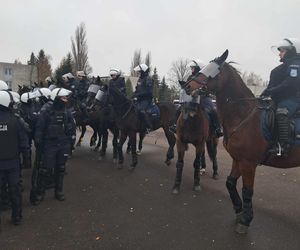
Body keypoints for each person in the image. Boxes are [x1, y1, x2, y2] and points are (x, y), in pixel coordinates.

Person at [31, 88, 76, 205]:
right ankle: (40, 192)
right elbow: (40, 126)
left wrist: (71, 139)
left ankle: (59, 191)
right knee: (45, 169)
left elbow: (71, 125)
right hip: (50, 144)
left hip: (63, 144)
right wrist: (38, 139)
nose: (66, 100)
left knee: (61, 168)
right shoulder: (46, 109)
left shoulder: (67, 111)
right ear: (56, 97)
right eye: (63, 97)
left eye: (66, 97)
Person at [261, 38, 300, 156]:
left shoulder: (296, 64)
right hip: (281, 98)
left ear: (292, 51)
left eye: (282, 51)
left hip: (294, 98)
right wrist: (265, 92)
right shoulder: (282, 67)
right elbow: (273, 84)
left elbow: (290, 83)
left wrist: (271, 91)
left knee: (282, 112)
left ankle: (283, 146)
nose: (280, 53)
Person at [169, 59, 223, 138]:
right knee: (180, 109)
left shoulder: (205, 77)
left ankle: (217, 129)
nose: (191, 69)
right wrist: (183, 85)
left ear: (198, 68)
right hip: (191, 98)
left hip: (204, 98)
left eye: (193, 68)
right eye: (191, 68)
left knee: (213, 110)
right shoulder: (190, 77)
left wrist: (201, 91)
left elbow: (207, 88)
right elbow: (187, 88)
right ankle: (175, 125)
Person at [0, 90, 30, 226]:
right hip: (13, 164)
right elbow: (24, 142)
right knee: (15, 191)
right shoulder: (16, 120)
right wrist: (27, 159)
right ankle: (16, 217)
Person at [132, 64, 154, 132]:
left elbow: (149, 92)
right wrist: (134, 94)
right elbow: (137, 89)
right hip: (139, 99)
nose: (139, 73)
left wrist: (138, 95)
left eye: (140, 72)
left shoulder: (148, 79)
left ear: (144, 71)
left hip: (146, 99)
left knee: (140, 110)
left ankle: (148, 127)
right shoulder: (140, 79)